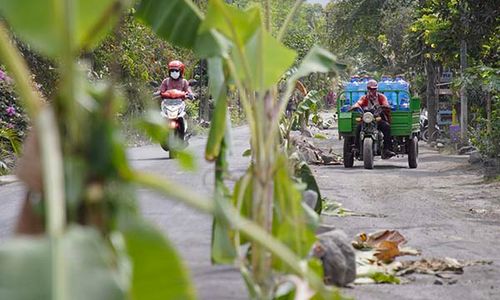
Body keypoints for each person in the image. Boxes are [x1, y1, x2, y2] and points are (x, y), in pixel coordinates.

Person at [349, 79, 395, 158]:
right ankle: (357, 148)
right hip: (366, 119)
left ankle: (387, 148)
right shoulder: (364, 97)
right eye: (370, 89)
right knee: (358, 128)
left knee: (386, 127)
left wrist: (385, 106)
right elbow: (359, 103)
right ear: (367, 89)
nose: (372, 91)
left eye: (374, 89)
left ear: (376, 89)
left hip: (378, 119)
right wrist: (355, 106)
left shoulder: (381, 97)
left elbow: (385, 103)